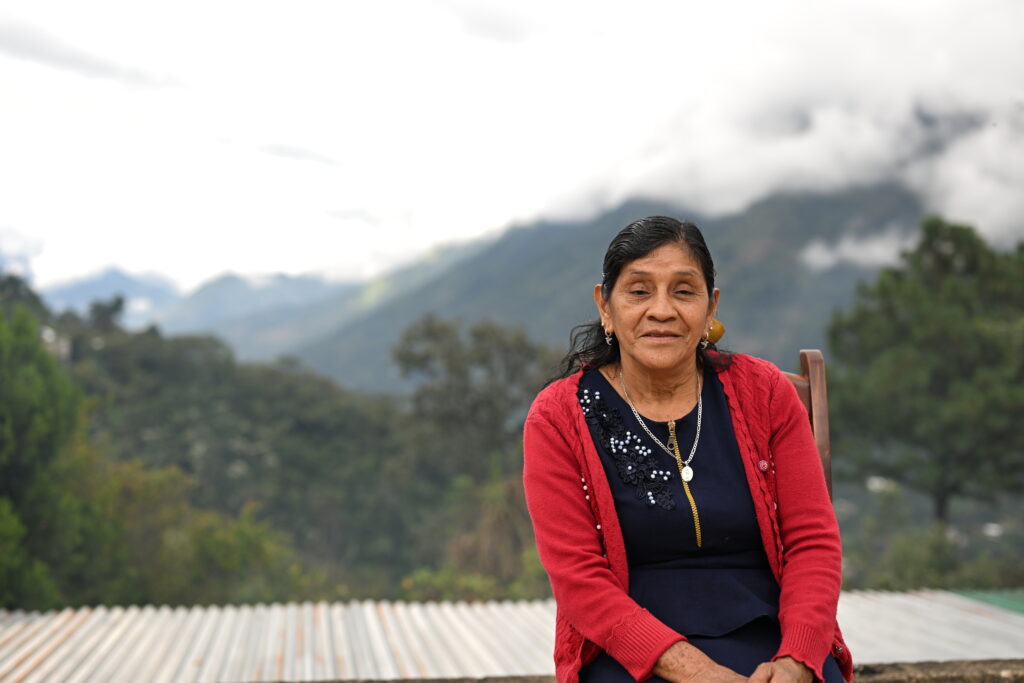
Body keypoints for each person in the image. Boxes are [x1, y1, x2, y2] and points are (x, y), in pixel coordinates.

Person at [522, 216, 851, 683]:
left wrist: (796, 658)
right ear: (605, 306)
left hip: (771, 636)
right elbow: (578, 578)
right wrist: (698, 672)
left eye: (683, 290)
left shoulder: (766, 394)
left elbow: (812, 542)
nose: (661, 310)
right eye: (638, 291)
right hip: (630, 650)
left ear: (710, 306)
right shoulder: (559, 417)